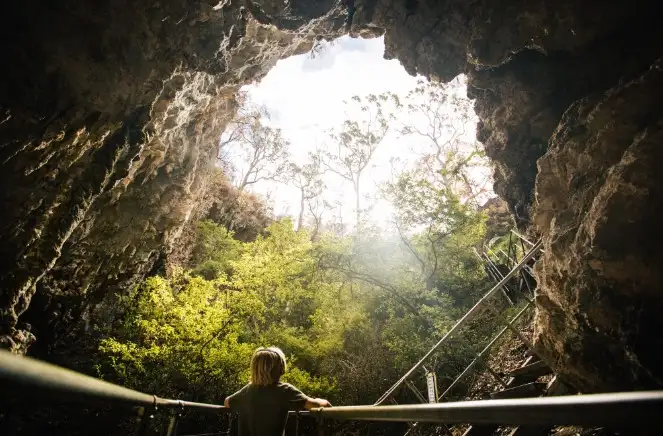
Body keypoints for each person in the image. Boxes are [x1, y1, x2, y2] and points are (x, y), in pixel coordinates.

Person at [224, 347, 332, 436]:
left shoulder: (247, 390)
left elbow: (227, 402)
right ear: (280, 368)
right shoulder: (284, 390)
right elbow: (313, 405)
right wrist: (324, 402)